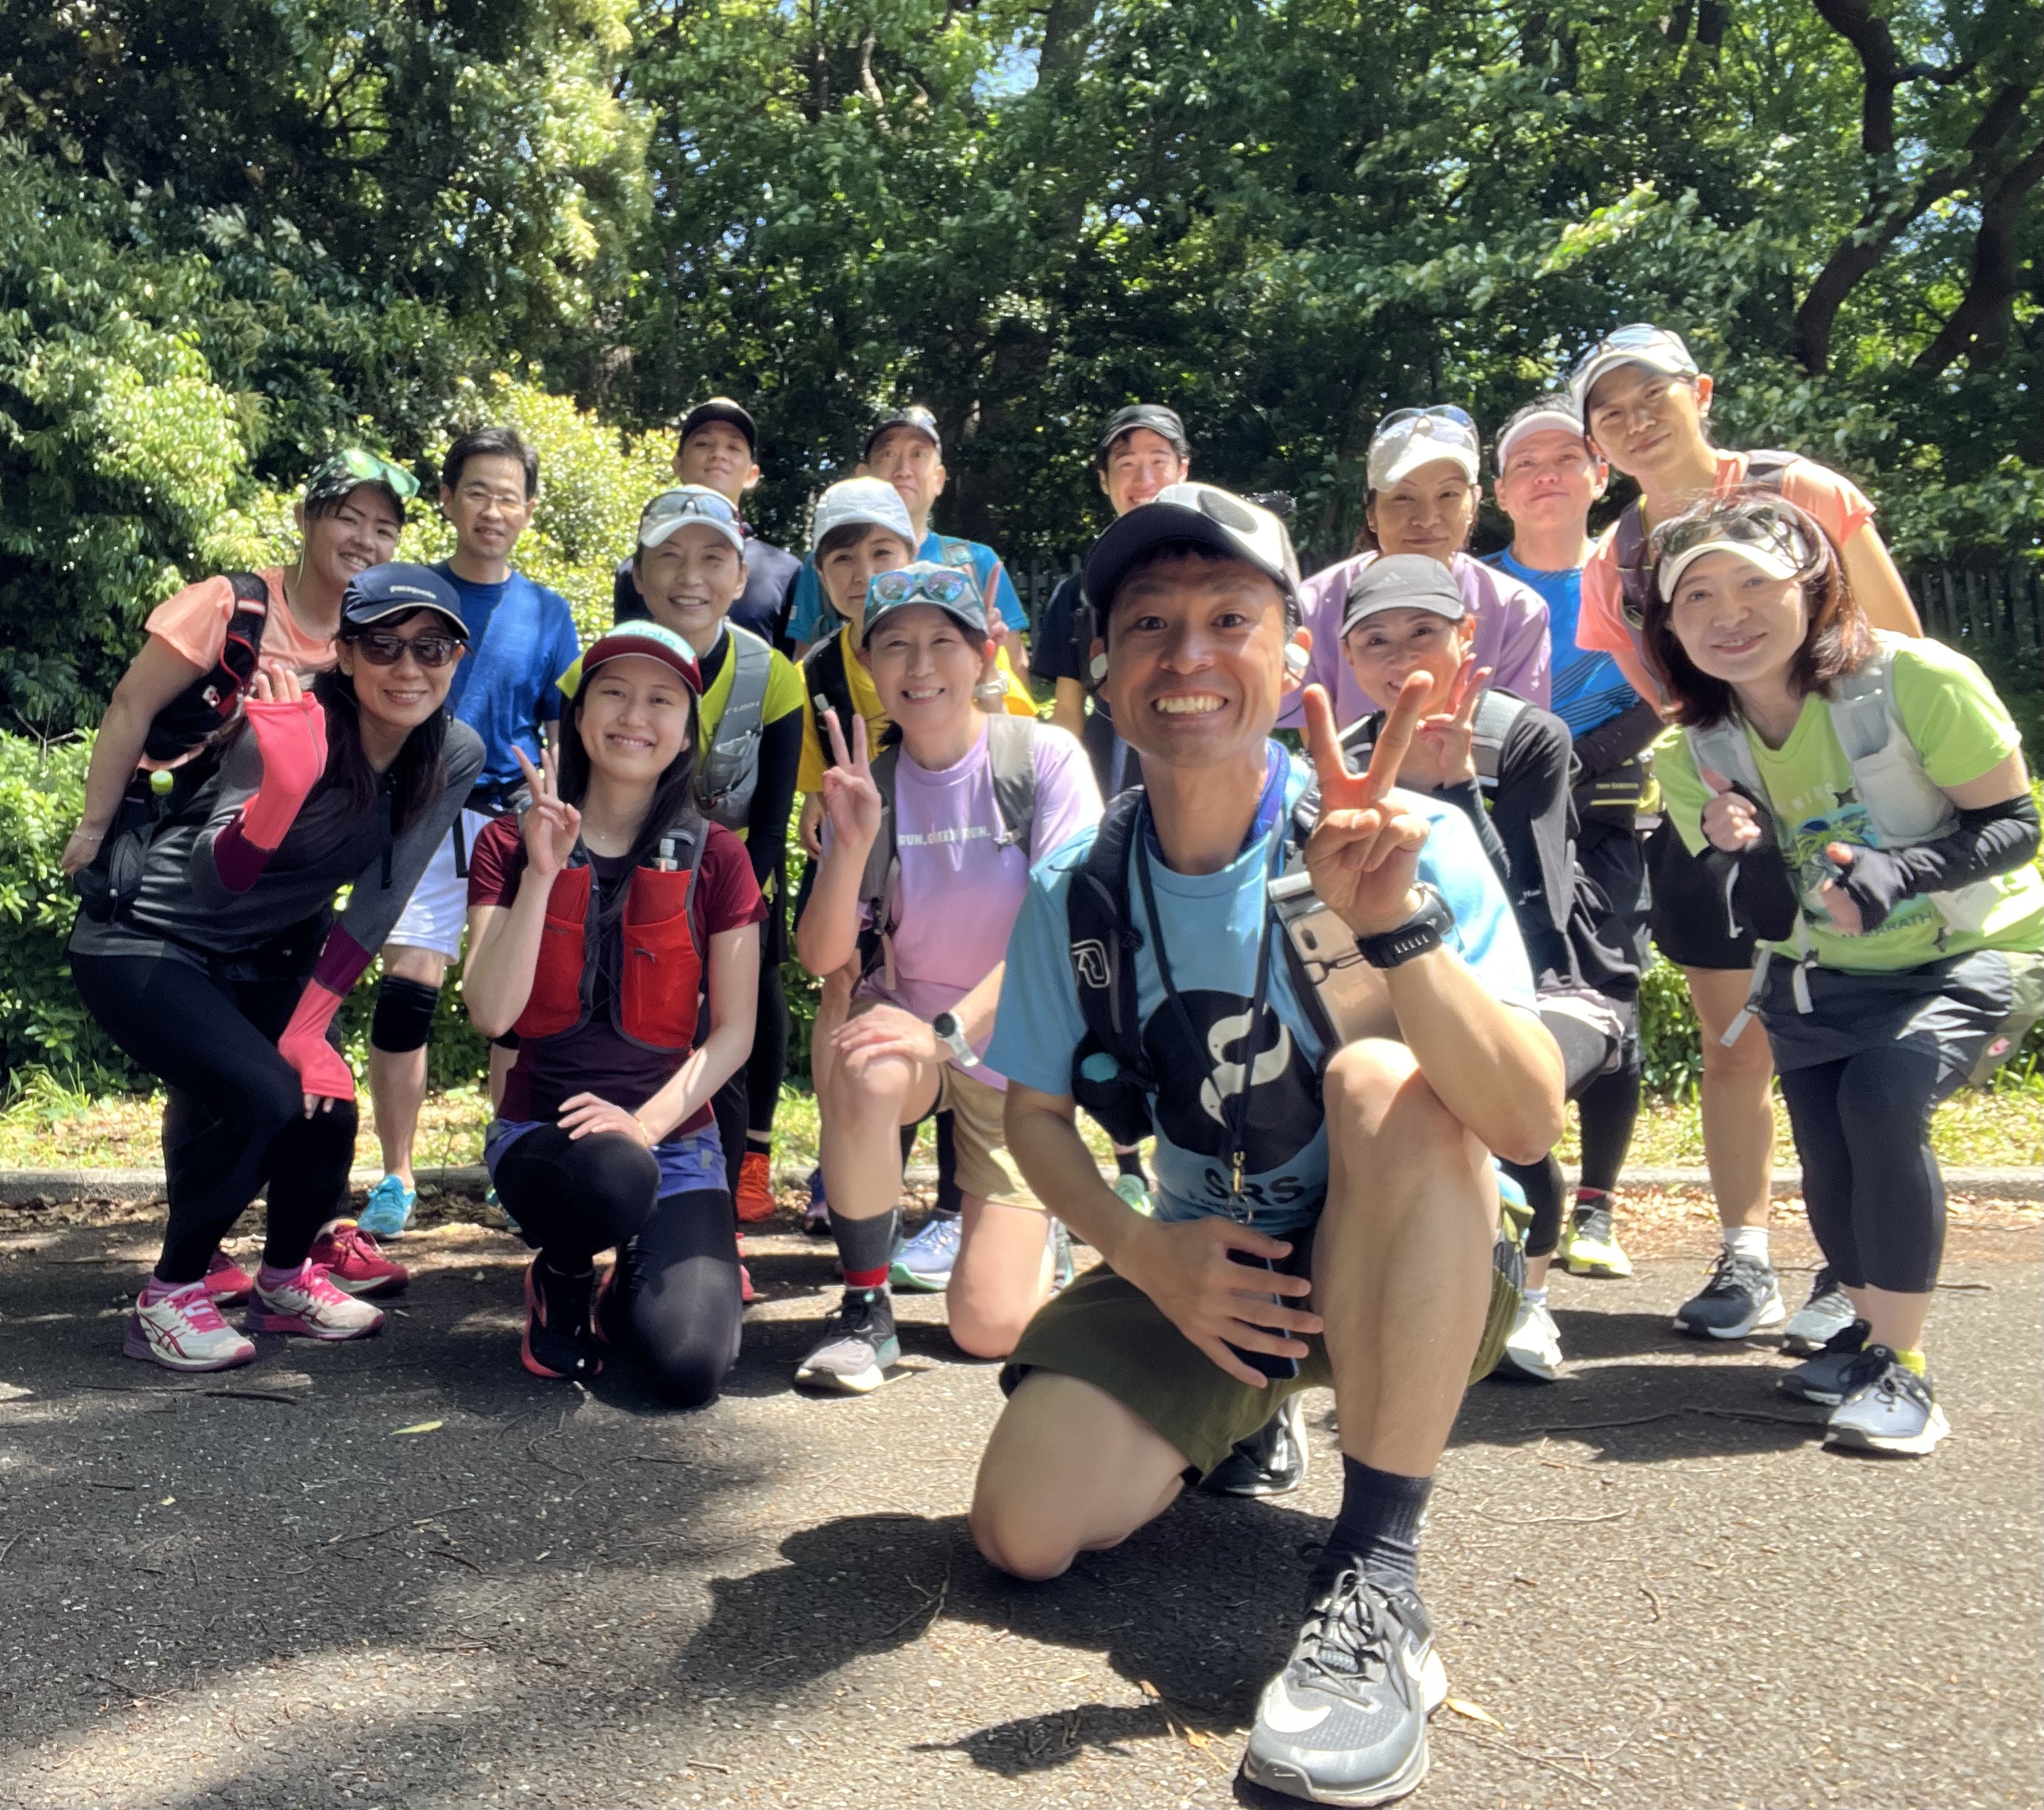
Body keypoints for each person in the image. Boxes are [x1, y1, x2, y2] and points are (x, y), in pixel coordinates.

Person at [967, 484, 1563, 1807]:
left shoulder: (1406, 841)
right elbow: (1033, 1114)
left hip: (1418, 1245)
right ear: (1107, 676)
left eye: (1228, 618)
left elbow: (1520, 1123)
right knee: (1021, 1533)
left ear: (1292, 653)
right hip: (1204, 1255)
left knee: (1381, 1081)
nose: (1187, 655)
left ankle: (1374, 1579)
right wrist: (1142, 1250)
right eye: (1147, 625)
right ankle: (1237, 1411)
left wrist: (1394, 925)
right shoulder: (1080, 883)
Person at [1643, 491, 2040, 1453]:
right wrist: (1735, 853)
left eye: (1752, 583)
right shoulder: (1693, 751)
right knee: (1824, 1151)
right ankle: (1868, 1333)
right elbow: (1771, 915)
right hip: (1825, 974)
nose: (1724, 613)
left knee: (1882, 1094)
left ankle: (1906, 1373)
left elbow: (2015, 823)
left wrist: (1902, 867)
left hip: (1974, 950)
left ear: (1813, 587)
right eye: (1693, 596)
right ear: (1667, 625)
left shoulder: (1917, 681)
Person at [1567, 324, 1926, 1349]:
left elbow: (1899, 646)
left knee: (1853, 1041)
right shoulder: (1617, 559)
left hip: (1854, 813)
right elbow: (1676, 708)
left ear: (1701, 393)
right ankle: (1747, 1257)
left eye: (1653, 397)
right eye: (1611, 412)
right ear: (1597, 439)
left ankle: (1849, 1267)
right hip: (1721, 817)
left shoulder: (1803, 489)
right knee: (1739, 1044)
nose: (1635, 422)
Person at [69, 565, 485, 1371]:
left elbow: (379, 896)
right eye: (384, 646)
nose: (408, 668)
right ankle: (168, 1299)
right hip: (145, 943)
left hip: (255, 959)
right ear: (346, 656)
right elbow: (206, 878)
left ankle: (284, 1282)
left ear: (456, 656)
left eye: (431, 647)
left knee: (325, 1105)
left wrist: (309, 1024)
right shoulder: (286, 724)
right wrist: (280, 793)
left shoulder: (450, 750)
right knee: (263, 1098)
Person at [61, 450, 419, 1305]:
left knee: (267, 1080)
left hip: (282, 893)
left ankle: (278, 1265)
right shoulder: (232, 606)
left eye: (385, 526)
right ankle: (194, 1262)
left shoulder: (375, 640)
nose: (364, 538)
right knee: (220, 1078)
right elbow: (130, 707)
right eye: (349, 517)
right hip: (180, 847)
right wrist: (96, 824)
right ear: (307, 517)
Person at [1332, 556, 1643, 1382]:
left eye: (1423, 634)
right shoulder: (1343, 757)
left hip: (1550, 977)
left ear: (1466, 639)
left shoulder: (1529, 736)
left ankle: (1530, 1297)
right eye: (1376, 641)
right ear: (1348, 660)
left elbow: (1532, 906)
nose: (1401, 659)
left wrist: (1458, 787)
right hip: (1402, 970)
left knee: (1484, 1079)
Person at [791, 564, 1103, 1390]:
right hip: (914, 1039)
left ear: (983, 654)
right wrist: (849, 845)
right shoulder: (871, 782)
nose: (918, 665)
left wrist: (948, 1031)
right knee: (857, 1056)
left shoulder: (1044, 759)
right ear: (870, 666)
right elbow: (822, 956)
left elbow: (1060, 927)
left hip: (1017, 1055)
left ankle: (1041, 1231)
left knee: (989, 1329)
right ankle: (865, 1311)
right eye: (893, 646)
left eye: (940, 642)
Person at [463, 623, 766, 1398]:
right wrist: (539, 873)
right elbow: (493, 1014)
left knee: (688, 1367)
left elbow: (733, 1035)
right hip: (547, 1135)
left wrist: (646, 1126)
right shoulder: (508, 840)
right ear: (578, 713)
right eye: (614, 693)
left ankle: (622, 1281)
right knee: (607, 1171)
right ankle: (561, 1275)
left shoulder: (720, 857)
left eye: (661, 699)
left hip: (668, 1139)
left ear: (686, 728)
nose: (636, 715)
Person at [793, 480, 1034, 1241]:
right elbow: (810, 789)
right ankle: (860, 1191)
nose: (862, 572)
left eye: (881, 552)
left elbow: (1011, 742)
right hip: (879, 874)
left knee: (991, 1324)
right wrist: (837, 831)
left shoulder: (1013, 723)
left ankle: (973, 1211)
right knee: (852, 1008)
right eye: (843, 559)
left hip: (993, 932)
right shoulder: (821, 670)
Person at [360, 427, 583, 1239]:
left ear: (528, 510)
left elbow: (561, 730)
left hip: (511, 825)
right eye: (477, 491)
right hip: (418, 813)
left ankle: (508, 1159)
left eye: (509, 495)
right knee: (406, 993)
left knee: (515, 1004)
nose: (493, 509)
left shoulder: (547, 611)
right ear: (448, 498)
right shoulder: (412, 593)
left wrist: (551, 817)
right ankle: (394, 1175)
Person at [1483, 395, 1658, 1284]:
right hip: (1499, 823)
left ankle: (1595, 1205)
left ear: (1598, 474)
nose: (1544, 474)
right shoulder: (1474, 586)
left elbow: (1670, 686)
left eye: (1563, 457)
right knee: (1510, 997)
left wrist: (1569, 762)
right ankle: (1519, 1204)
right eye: (1524, 464)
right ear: (1500, 492)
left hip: (1604, 814)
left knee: (1609, 1003)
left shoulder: (1634, 573)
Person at [603, 486, 802, 1225]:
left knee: (739, 1010)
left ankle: (739, 1167)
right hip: (626, 878)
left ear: (740, 578)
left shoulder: (773, 674)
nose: (691, 576)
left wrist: (728, 919)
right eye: (670, 558)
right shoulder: (599, 666)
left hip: (733, 874)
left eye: (712, 558)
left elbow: (773, 821)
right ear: (640, 575)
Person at [1034, 403, 1195, 1217]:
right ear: (1103, 482)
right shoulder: (1075, 592)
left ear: (1184, 470)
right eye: (1124, 462)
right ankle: (1121, 1161)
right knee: (1107, 985)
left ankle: (1193, 1161)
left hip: (1199, 816)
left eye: (1158, 458)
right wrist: (1075, 821)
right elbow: (1065, 718)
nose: (1142, 474)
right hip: (1111, 814)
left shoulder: (1218, 562)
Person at [1282, 406, 1551, 731]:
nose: (1426, 518)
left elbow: (1518, 739)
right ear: (1371, 512)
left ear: (1474, 502)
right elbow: (1315, 733)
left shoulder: (1517, 612)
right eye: (1403, 498)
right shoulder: (1313, 604)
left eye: (1448, 494)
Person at [785, 406, 1031, 678]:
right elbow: (807, 670)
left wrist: (986, 682)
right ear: (862, 475)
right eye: (888, 454)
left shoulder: (979, 562)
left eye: (918, 455)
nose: (903, 470)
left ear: (939, 479)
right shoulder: (821, 560)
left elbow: (1015, 676)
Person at [613, 398, 803, 650]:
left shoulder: (785, 572)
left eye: (733, 447)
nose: (718, 455)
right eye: (703, 444)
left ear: (752, 475)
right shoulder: (635, 570)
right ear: (678, 464)